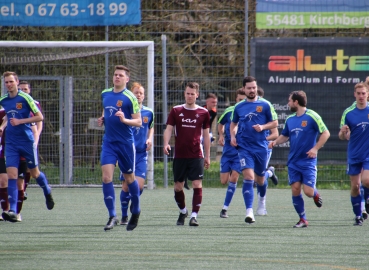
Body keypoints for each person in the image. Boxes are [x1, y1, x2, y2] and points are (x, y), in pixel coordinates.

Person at [269, 90, 329, 228]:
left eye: (290, 100)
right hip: (294, 162)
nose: (288, 103)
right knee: (295, 189)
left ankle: (315, 194)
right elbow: (285, 136)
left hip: (308, 161)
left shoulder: (312, 116)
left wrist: (315, 149)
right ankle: (303, 219)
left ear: (296, 102)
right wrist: (275, 142)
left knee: (308, 192)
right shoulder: (290, 119)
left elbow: (326, 133)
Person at [0, 71, 54, 222]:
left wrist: (20, 121)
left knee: (35, 174)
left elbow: (39, 117)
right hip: (10, 143)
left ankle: (47, 191)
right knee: (12, 175)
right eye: (6, 82)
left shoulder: (25, 98)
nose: (9, 84)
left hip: (26, 142)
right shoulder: (4, 100)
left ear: (17, 82)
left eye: (11, 81)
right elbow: (6, 116)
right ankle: (12, 210)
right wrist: (4, 126)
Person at [97, 65, 142, 231]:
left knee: (130, 179)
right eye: (115, 75)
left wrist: (125, 120)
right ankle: (112, 215)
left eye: (120, 75)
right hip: (109, 142)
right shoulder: (105, 93)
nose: (117, 77)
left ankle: (136, 210)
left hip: (125, 144)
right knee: (107, 177)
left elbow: (138, 121)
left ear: (126, 79)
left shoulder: (131, 98)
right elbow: (106, 110)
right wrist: (102, 118)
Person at [230, 76, 278, 224]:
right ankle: (249, 212)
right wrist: (232, 136)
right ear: (244, 89)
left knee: (260, 180)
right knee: (249, 178)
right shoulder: (239, 107)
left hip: (261, 148)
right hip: (244, 147)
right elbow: (233, 124)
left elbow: (275, 123)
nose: (252, 90)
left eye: (254, 87)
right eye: (249, 88)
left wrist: (263, 127)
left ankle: (262, 201)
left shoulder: (265, 105)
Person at [163, 82, 210, 226]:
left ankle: (194, 216)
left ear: (197, 95)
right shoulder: (176, 110)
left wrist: (207, 156)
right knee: (178, 187)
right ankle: (183, 211)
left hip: (196, 154)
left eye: (192, 94)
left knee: (197, 184)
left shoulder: (204, 113)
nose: (190, 96)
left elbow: (206, 135)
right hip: (180, 155)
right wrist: (166, 143)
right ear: (185, 94)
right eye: (187, 93)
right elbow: (169, 129)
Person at [119, 82, 154, 225]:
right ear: (131, 95)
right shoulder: (127, 112)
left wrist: (150, 139)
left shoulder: (148, 112)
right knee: (126, 186)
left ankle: (135, 201)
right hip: (127, 152)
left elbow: (151, 127)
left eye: (141, 93)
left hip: (141, 154)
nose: (138, 95)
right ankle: (123, 216)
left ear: (144, 96)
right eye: (136, 93)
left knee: (138, 186)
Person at [339, 82, 369, 226]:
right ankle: (358, 216)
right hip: (354, 154)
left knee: (366, 180)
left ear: (367, 94)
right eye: (359, 94)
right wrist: (344, 132)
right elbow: (342, 135)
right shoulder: (349, 113)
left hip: (368, 154)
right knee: (355, 187)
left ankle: (367, 201)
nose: (361, 96)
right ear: (354, 95)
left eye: (364, 93)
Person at [218, 88, 246, 218]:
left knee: (234, 177)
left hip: (240, 151)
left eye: (243, 100)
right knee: (224, 181)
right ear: (236, 99)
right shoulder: (229, 111)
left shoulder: (248, 112)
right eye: (239, 99)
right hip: (227, 151)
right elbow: (220, 123)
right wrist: (221, 135)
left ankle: (224, 208)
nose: (241, 102)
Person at [254, 86, 279, 216]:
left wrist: (263, 138)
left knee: (259, 178)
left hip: (264, 148)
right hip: (250, 147)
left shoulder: (267, 110)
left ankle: (261, 204)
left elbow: (276, 134)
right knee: (252, 176)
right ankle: (270, 172)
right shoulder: (247, 111)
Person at [18, 81, 43, 200]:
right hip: (16, 141)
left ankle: (24, 190)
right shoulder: (14, 103)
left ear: (29, 90)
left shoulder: (34, 104)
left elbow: (39, 123)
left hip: (30, 140)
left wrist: (35, 139)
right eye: (21, 89)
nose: (23, 91)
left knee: (29, 167)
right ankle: (19, 190)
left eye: (25, 89)